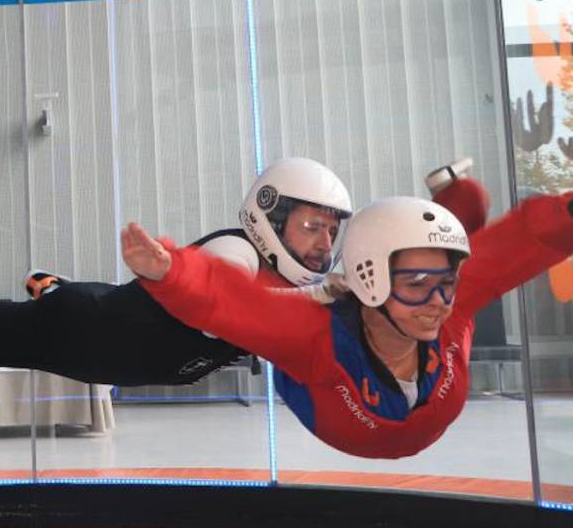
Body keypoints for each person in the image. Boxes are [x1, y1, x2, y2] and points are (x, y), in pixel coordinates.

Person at [125, 177, 573, 459]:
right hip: (326, 394)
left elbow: (524, 242)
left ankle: (457, 210)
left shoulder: (449, 311)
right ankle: (456, 209)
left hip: (400, 393)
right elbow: (231, 304)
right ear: (371, 278)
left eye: (446, 283)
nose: (438, 302)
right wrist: (171, 271)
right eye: (418, 285)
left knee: (472, 262)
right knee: (279, 323)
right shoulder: (313, 338)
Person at [0, 126, 354, 386]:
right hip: (71, 335)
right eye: (312, 226)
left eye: (332, 232)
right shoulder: (237, 253)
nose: (324, 243)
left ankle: (51, 289)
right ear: (272, 215)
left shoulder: (280, 282)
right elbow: (223, 303)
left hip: (104, 321)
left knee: (112, 302)